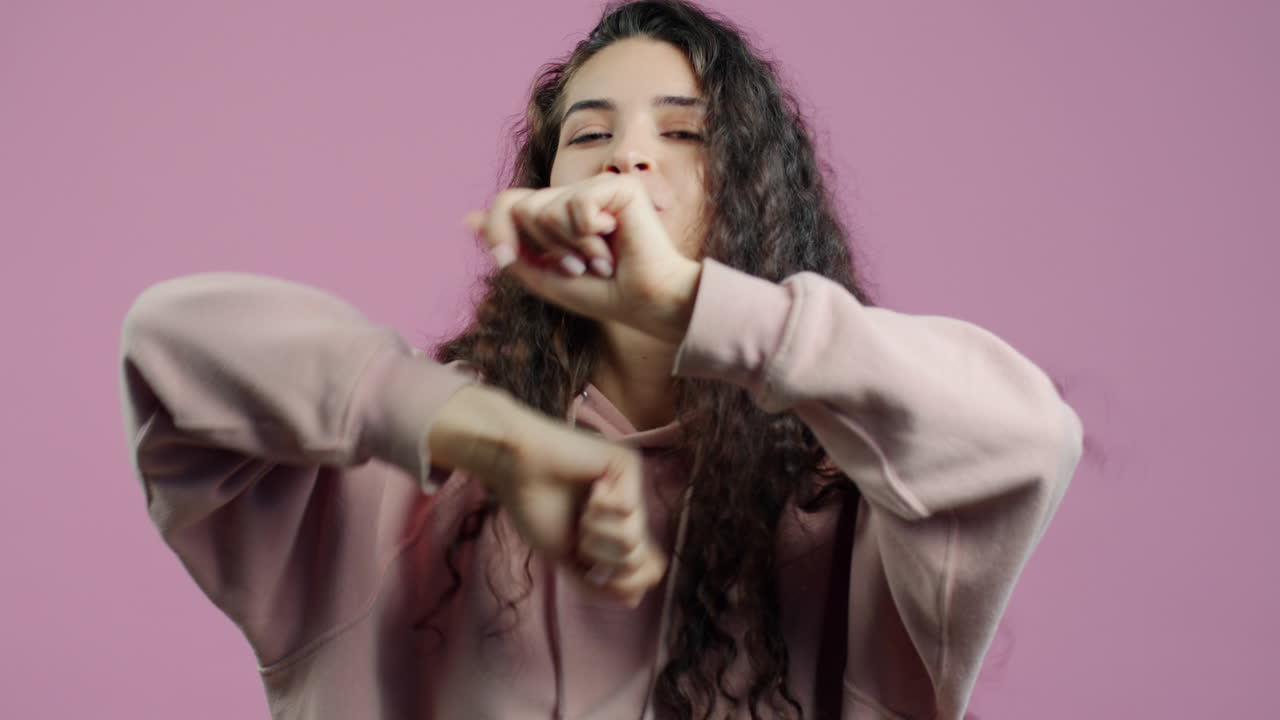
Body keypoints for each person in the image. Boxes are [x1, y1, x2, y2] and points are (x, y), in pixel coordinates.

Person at [118, 1, 1084, 718]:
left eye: (686, 135)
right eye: (588, 135)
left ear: (754, 194)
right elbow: (172, 346)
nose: (626, 160)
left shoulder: (846, 501)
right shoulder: (404, 483)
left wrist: (687, 304)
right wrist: (492, 438)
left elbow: (1025, 436)